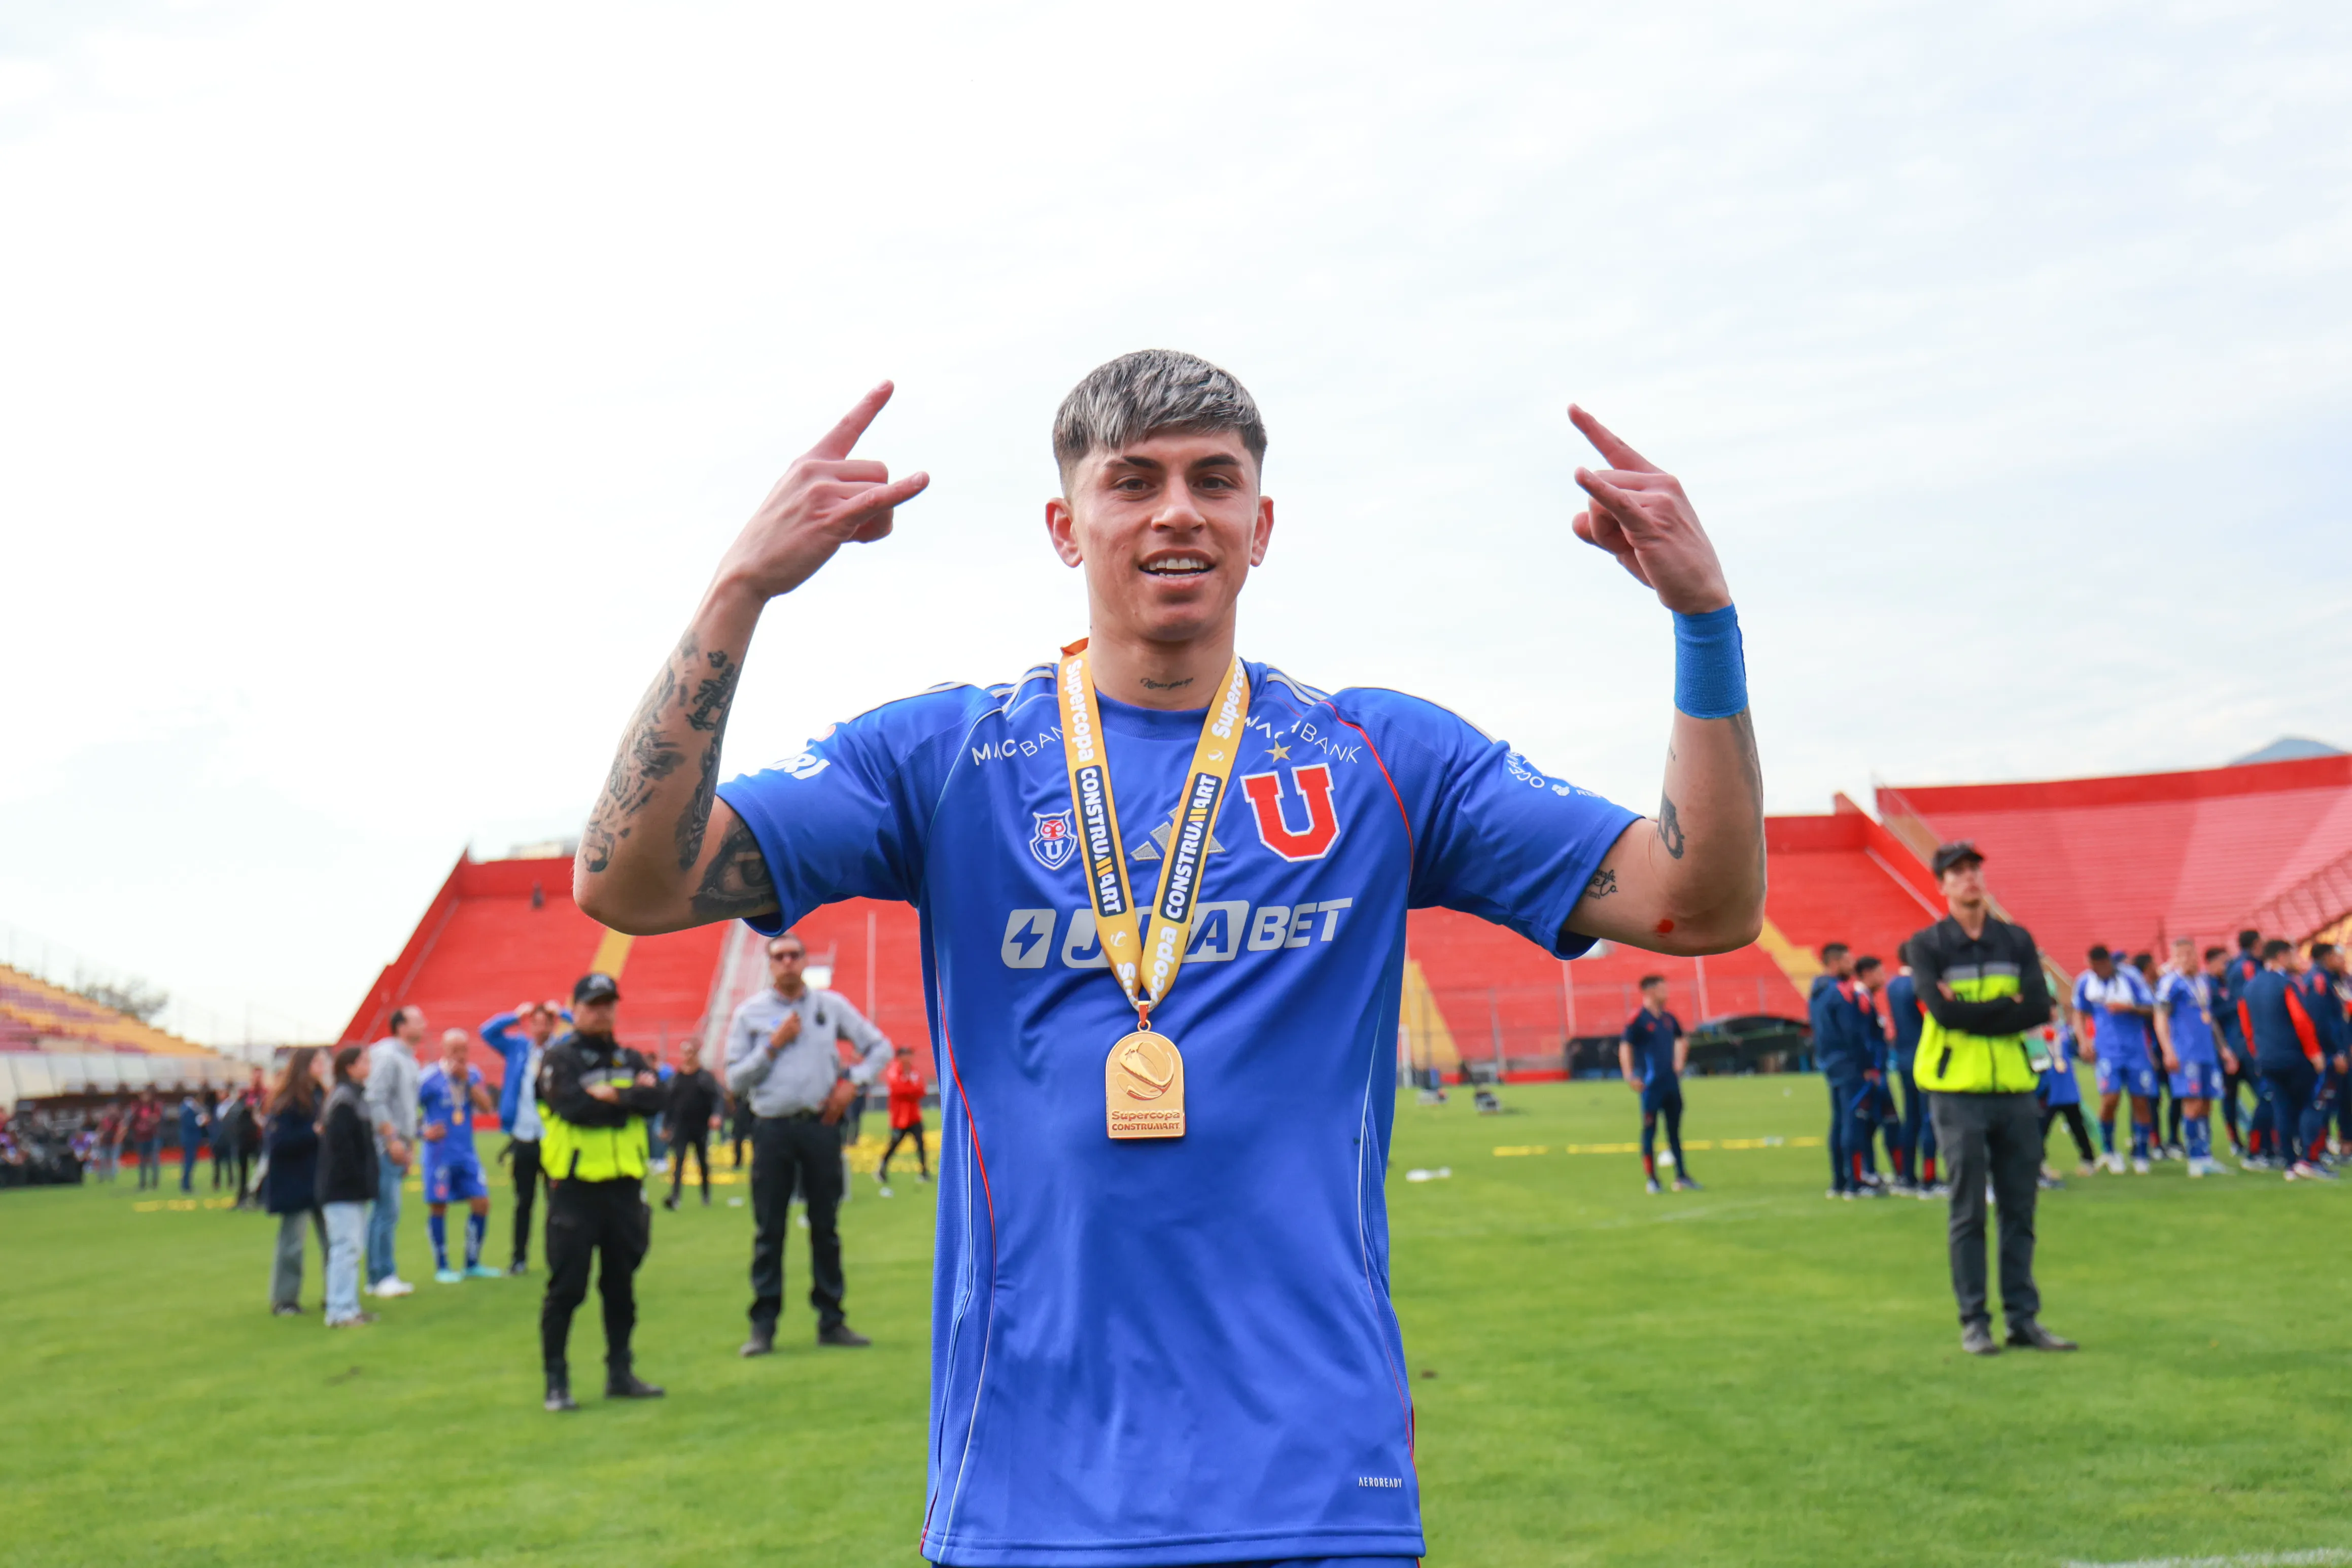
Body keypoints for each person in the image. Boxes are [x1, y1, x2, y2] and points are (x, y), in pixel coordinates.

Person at [572, 354, 1767, 1563]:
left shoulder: (1385, 759)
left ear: (1261, 526)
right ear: (1065, 526)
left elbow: (1698, 904)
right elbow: (632, 880)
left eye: (1214, 480)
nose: (1178, 511)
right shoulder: (944, 759)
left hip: (1317, 1484)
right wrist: (738, 590)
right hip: (1027, 1494)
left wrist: (1702, 620)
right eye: (1132, 481)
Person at [1906, 841, 2071, 1356]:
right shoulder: (1927, 944)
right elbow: (1943, 1013)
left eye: (1974, 868)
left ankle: (2023, 1319)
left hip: (2015, 1087)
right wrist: (2007, 1006)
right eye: (1957, 872)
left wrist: (1978, 1011)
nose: (1969, 877)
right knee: (1968, 1211)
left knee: (2020, 1210)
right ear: (1942, 885)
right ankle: (1974, 1321)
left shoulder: (2015, 939)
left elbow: (2039, 1007)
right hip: (1957, 1091)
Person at [724, 932, 893, 1354]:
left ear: (804, 960)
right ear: (769, 964)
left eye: (794, 954)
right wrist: (772, 1046)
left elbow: (879, 1047)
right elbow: (735, 1079)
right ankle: (763, 1326)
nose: (787, 962)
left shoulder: (829, 1006)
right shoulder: (750, 1014)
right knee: (769, 1229)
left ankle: (832, 1319)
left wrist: (853, 1083)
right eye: (779, 956)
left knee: (826, 1226)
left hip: (820, 1124)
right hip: (771, 1127)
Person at [535, 972, 666, 1411]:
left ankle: (620, 1372)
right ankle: (557, 1380)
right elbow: (572, 1106)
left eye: (608, 1003)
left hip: (624, 1187)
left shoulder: (630, 1056)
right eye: (593, 1004)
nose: (602, 1011)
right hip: (576, 1189)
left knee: (621, 1286)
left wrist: (616, 1097)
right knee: (567, 1288)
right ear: (574, 1008)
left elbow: (659, 1098)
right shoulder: (560, 1058)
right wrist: (628, 1099)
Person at [2236, 939, 2338, 1180]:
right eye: (2292, 955)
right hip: (2294, 1056)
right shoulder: (2287, 985)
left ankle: (2290, 1164)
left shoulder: (2249, 987)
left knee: (2281, 1108)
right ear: (2281, 956)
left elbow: (2247, 1026)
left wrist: (2257, 1053)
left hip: (2267, 1058)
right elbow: (2301, 1020)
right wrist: (2315, 1053)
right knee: (2312, 1104)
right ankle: (2309, 1160)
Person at [482, 999, 564, 1274]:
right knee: (523, 1202)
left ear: (552, 1025)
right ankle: (519, 1259)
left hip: (552, 1135)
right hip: (523, 1135)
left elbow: (579, 1030)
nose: (539, 1028)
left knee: (556, 1203)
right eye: (535, 1022)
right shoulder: (519, 1048)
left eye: (545, 1022)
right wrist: (515, 1016)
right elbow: (488, 1033)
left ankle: (556, 1258)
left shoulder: (562, 1050)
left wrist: (562, 1013)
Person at [418, 1028, 500, 1283]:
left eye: (464, 1050)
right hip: (439, 1155)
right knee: (438, 1206)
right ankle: (442, 1266)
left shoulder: (473, 1075)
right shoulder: (429, 1078)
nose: (460, 1055)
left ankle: (472, 1263)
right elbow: (407, 1108)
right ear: (444, 1050)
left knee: (482, 1202)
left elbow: (487, 1107)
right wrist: (422, 1131)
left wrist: (468, 1082)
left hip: (466, 1153)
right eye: (455, 1050)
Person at [2073, 945, 2158, 1174]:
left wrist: (2128, 1007)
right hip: (2107, 1051)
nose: (2095, 970)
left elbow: (2151, 1007)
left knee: (2141, 1101)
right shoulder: (2085, 981)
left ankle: (2141, 1153)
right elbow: (2079, 1013)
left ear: (2107, 963)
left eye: (2098, 966)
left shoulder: (2131, 977)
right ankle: (2109, 1151)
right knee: (2110, 1100)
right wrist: (2083, 1041)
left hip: (2136, 1050)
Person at [2154, 937, 2230, 1177]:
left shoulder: (2203, 981)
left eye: (2190, 954)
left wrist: (2223, 1048)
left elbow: (2209, 1017)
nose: (2186, 959)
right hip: (2185, 1053)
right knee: (2193, 1104)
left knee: (2207, 1103)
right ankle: (2195, 1158)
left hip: (2206, 1051)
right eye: (2181, 956)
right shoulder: (2171, 983)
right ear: (2174, 959)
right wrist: (2168, 1051)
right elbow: (2161, 1018)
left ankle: (2205, 1155)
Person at [1809, 944, 1880, 1198]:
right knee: (1854, 1121)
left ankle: (1839, 1181)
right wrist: (1867, 1066)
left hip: (1830, 1062)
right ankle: (1855, 1183)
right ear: (1835, 963)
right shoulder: (1841, 992)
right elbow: (1852, 1033)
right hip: (1850, 1064)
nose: (1853, 965)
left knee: (1839, 1121)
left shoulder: (1817, 991)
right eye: (1849, 960)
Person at [317, 1046, 379, 1328]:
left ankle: (349, 1306)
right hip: (342, 1186)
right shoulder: (344, 1099)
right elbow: (342, 1148)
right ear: (350, 1067)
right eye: (364, 1061)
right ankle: (340, 1310)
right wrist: (359, 1178)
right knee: (345, 1247)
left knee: (352, 1248)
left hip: (350, 1185)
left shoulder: (353, 1096)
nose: (369, 1065)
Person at [364, 1007, 424, 1297]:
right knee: (385, 1211)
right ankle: (381, 1276)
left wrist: (408, 1144)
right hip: (385, 1146)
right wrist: (391, 1140)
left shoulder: (408, 1059)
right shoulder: (387, 1056)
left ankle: (381, 1274)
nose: (424, 1025)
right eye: (418, 1021)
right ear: (401, 1026)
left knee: (388, 1211)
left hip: (399, 1143)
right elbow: (375, 1099)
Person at [263, 1048, 328, 1315]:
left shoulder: (322, 1096)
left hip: (321, 1178)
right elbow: (278, 1143)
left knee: (334, 1241)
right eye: (317, 1061)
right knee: (292, 1244)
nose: (323, 1066)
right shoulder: (287, 1101)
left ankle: (337, 1293)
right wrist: (313, 1133)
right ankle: (285, 1299)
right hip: (294, 1181)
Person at [1620, 974, 1698, 1193]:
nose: (1667, 994)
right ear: (1650, 991)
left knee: (1675, 1131)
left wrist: (1679, 1062)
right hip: (1650, 1085)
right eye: (1663, 989)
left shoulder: (1669, 1019)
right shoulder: (1638, 1019)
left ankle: (1681, 1176)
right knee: (1649, 1131)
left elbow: (1681, 1038)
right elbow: (1625, 1045)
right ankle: (1652, 1180)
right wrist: (1630, 1075)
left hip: (1671, 1083)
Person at [1885, 961, 1942, 1197]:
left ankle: (1907, 1176)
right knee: (1929, 1118)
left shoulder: (1893, 985)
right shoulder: (1920, 985)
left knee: (1911, 1119)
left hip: (1904, 1058)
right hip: (1925, 1057)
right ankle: (1929, 1178)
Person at [661, 1041, 722, 1210]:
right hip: (681, 1125)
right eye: (685, 1053)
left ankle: (706, 1195)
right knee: (679, 1160)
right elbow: (669, 1103)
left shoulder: (704, 1077)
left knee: (702, 1160)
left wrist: (716, 1115)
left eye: (690, 1053)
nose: (687, 1056)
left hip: (700, 1125)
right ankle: (675, 1197)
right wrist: (666, 1125)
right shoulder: (677, 1078)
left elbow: (717, 1097)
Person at [2036, 1021, 2098, 1179]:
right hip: (2048, 1091)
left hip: (2067, 1090)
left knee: (2078, 1128)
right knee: (2041, 1130)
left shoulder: (2064, 1033)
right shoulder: (2035, 1034)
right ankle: (2040, 1164)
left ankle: (2089, 1160)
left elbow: (2079, 1051)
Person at [2207, 943, 2252, 1157]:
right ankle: (2235, 1140)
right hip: (2224, 1053)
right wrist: (2224, 1050)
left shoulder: (2231, 983)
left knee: (2263, 1093)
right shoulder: (2207, 986)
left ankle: (2263, 1137)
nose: (2227, 967)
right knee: (2230, 1098)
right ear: (2211, 963)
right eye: (2223, 962)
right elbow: (2211, 1020)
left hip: (2244, 1048)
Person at [876, 1045, 929, 1195]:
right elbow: (898, 1089)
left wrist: (910, 1090)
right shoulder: (894, 1071)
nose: (909, 1058)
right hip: (900, 1119)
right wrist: (912, 1090)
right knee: (894, 1144)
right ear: (899, 1057)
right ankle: (882, 1169)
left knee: (921, 1144)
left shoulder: (914, 1071)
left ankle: (924, 1172)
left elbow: (922, 1089)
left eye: (910, 1055)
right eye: (906, 1055)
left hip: (914, 1116)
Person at [128, 1090, 162, 1189]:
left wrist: (148, 1118)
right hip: (141, 1137)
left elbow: (157, 1119)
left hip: (152, 1136)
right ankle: (142, 1183)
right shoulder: (138, 1108)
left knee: (154, 1160)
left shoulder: (154, 1106)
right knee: (142, 1161)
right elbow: (133, 1121)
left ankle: (155, 1182)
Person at [177, 1091, 206, 1193]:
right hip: (190, 1139)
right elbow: (191, 1123)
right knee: (189, 1162)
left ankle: (186, 1184)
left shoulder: (185, 1108)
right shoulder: (188, 1109)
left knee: (188, 1162)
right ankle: (186, 1185)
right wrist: (202, 1121)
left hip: (188, 1139)